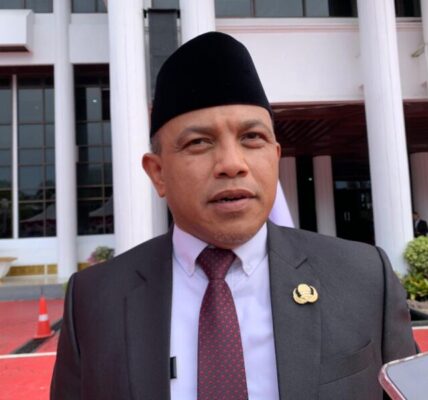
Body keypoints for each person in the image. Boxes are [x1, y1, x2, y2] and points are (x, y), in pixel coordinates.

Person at [51, 32, 416, 400]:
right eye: (199, 142)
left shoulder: (363, 279)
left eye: (252, 138)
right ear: (158, 173)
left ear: (275, 156)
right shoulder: (95, 300)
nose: (232, 164)